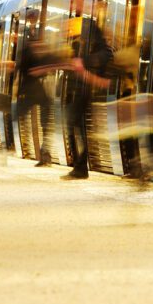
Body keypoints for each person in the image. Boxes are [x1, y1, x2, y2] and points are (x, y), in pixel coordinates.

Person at [61, 12, 112, 180]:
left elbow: (106, 55)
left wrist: (83, 63)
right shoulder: (76, 45)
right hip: (76, 90)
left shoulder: (94, 40)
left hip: (86, 89)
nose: (68, 30)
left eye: (71, 26)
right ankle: (79, 165)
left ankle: (81, 167)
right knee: (73, 125)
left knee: (78, 127)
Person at [10, 10, 54, 167]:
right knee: (20, 116)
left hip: (42, 86)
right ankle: (40, 152)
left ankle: (44, 153)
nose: (32, 20)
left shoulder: (45, 32)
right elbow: (22, 62)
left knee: (43, 120)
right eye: (31, 18)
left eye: (34, 18)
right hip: (31, 86)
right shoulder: (26, 36)